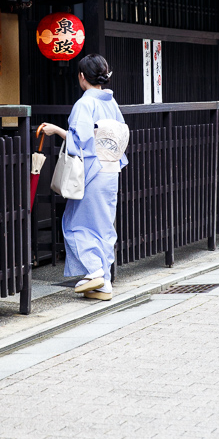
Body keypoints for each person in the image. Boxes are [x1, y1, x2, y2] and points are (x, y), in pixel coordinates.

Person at [40, 54, 129, 301]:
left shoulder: (85, 103)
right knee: (103, 226)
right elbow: (121, 136)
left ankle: (94, 271)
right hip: (112, 171)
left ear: (82, 77)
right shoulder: (111, 103)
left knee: (75, 224)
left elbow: (79, 141)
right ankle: (104, 283)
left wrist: (56, 130)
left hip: (92, 172)